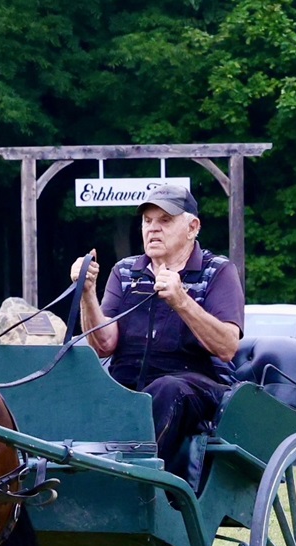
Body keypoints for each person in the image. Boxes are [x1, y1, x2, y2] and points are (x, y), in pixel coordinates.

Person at [70, 184, 245, 472]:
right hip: (127, 386)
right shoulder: (125, 271)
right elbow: (104, 345)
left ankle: (134, 478)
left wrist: (181, 301)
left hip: (197, 388)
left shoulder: (218, 271)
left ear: (192, 227)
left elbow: (227, 347)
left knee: (166, 388)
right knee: (74, 383)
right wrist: (87, 293)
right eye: (147, 221)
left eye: (165, 220)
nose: (153, 229)